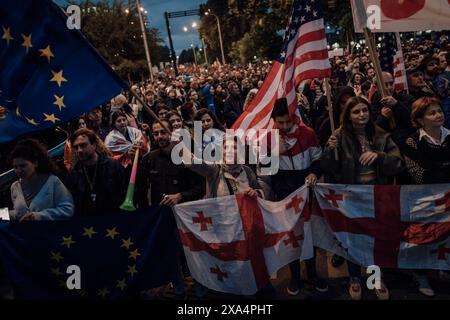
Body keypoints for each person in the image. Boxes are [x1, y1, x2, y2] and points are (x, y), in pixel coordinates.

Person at [321, 96, 404, 300]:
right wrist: (329, 151)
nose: (362, 115)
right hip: (351, 197)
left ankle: (375, 278)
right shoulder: (338, 136)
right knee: (353, 239)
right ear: (348, 115)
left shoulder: (381, 135)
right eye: (356, 111)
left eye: (364, 110)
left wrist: (380, 156)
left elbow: (398, 162)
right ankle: (354, 278)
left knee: (375, 240)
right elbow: (328, 169)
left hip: (377, 196)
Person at [135, 120, 204, 299]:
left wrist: (180, 195)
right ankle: (179, 288)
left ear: (171, 133)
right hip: (162, 219)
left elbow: (201, 187)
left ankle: (200, 287)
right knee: (170, 256)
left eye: (163, 133)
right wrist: (146, 215)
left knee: (191, 255)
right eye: (156, 133)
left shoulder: (186, 157)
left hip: (186, 217)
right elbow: (140, 191)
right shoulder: (148, 159)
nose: (160, 137)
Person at [269, 98, 327, 296]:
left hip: (307, 193)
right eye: (280, 122)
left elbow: (318, 158)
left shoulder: (308, 133)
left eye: (288, 121)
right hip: (284, 197)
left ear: (295, 117)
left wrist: (314, 173)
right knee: (291, 237)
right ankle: (295, 275)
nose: (285, 126)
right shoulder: (268, 138)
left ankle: (312, 273)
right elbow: (262, 171)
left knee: (310, 234)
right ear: (274, 120)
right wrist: (274, 154)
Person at [65, 128, 126, 216]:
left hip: (113, 219)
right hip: (87, 224)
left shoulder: (112, 165)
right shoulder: (73, 173)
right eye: (76, 147)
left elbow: (124, 193)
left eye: (83, 145)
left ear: (94, 145)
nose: (79, 150)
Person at [10, 139, 74, 221]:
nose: (19, 170)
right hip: (25, 233)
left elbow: (68, 209)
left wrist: (38, 216)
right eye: (15, 167)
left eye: (23, 166)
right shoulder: (15, 187)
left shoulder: (52, 181)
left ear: (35, 163)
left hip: (50, 232)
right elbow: (18, 213)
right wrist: (3, 214)